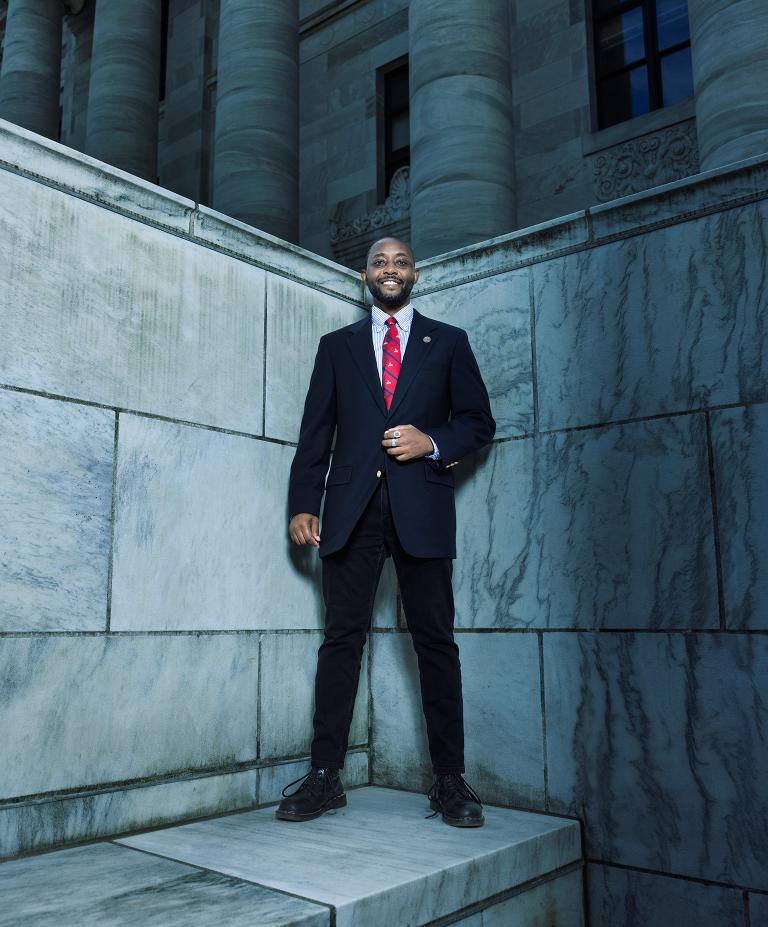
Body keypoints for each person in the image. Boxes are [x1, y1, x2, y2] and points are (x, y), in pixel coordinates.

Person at [276, 237, 495, 827]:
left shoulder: (448, 342)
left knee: (435, 644)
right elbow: (315, 434)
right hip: (350, 511)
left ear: (415, 274)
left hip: (420, 510)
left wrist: (433, 443)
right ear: (364, 276)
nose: (389, 269)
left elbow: (479, 422)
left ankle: (450, 781)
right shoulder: (337, 347)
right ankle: (325, 775)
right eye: (379, 262)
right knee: (341, 640)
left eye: (400, 262)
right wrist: (302, 503)